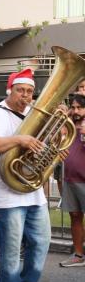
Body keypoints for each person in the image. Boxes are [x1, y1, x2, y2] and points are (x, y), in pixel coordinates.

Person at [0, 68, 54, 282]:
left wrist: (54, 153)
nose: (25, 95)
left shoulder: (34, 114)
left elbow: (43, 149)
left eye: (30, 91)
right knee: (11, 248)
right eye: (20, 90)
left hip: (32, 192)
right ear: (9, 90)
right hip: (6, 194)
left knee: (42, 242)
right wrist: (20, 140)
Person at [59, 94, 85, 267]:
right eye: (73, 107)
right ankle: (78, 254)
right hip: (70, 178)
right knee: (75, 216)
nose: (76, 111)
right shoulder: (67, 125)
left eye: (80, 108)